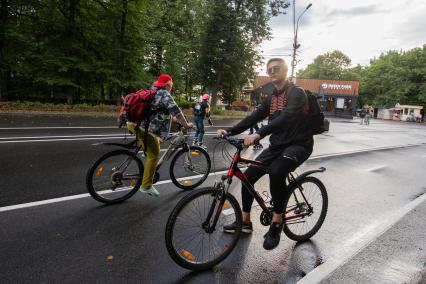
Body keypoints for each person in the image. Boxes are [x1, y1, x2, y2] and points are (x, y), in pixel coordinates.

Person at [217, 58, 313, 250]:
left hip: (298, 145)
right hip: (278, 146)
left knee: (277, 172)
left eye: (276, 68)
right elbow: (254, 117)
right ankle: (245, 222)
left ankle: (277, 221)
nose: (272, 71)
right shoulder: (271, 98)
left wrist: (259, 134)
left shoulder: (297, 93)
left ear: (285, 72)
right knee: (248, 176)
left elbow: (287, 117)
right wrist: (230, 131)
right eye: (269, 69)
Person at [127, 74, 193, 197]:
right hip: (144, 129)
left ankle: (147, 156)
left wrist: (173, 120)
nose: (171, 88)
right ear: (168, 85)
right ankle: (146, 186)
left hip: (133, 124)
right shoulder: (164, 93)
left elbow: (159, 112)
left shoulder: (152, 91)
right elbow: (177, 111)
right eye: (171, 86)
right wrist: (186, 124)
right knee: (154, 155)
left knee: (154, 144)